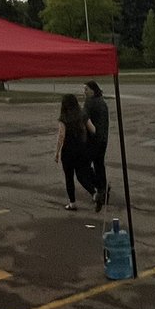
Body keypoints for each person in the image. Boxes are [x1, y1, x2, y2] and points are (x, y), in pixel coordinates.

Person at [55, 93, 96, 210]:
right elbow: (93, 129)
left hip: (68, 151)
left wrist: (57, 152)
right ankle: (94, 193)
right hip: (82, 150)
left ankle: (72, 203)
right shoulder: (82, 115)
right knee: (81, 175)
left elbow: (61, 136)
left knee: (69, 177)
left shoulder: (63, 118)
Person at [83, 80, 110, 211]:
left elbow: (84, 118)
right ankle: (103, 188)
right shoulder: (102, 102)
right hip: (103, 139)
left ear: (93, 90)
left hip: (93, 140)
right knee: (99, 164)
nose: (84, 92)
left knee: (84, 165)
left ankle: (100, 187)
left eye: (86, 89)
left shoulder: (89, 103)